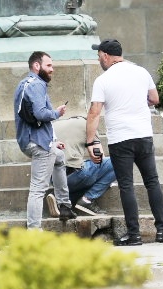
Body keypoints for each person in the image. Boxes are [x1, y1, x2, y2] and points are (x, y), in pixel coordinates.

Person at [86, 39, 163, 245]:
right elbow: (154, 98)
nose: (99, 60)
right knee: (152, 181)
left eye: (99, 56)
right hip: (143, 135)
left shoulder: (103, 80)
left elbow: (94, 112)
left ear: (106, 56)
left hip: (120, 139)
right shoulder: (141, 72)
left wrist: (90, 142)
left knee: (126, 185)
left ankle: (134, 235)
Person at [14, 51, 69, 228]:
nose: (52, 69)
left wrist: (52, 142)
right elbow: (40, 113)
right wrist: (57, 113)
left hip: (30, 140)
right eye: (48, 65)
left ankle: (64, 204)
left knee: (59, 157)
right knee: (38, 189)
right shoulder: (37, 84)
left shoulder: (24, 84)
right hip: (38, 143)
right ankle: (34, 231)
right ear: (36, 66)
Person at [56, 113, 117, 216]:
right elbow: (99, 157)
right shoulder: (89, 125)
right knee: (117, 162)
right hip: (74, 175)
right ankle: (87, 199)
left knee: (83, 171)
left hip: (53, 179)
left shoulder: (55, 125)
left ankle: (64, 201)